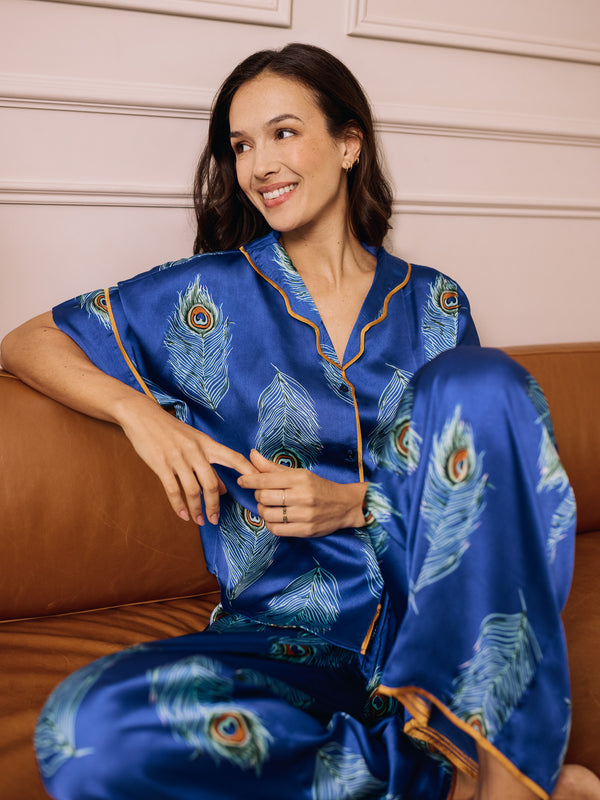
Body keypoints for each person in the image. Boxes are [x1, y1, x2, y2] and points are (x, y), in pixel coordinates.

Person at [1, 43, 598, 800]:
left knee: (483, 383)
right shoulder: (206, 296)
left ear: (349, 144)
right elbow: (26, 341)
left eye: (283, 133)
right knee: (87, 730)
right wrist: (140, 415)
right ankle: (442, 780)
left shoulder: (438, 304)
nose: (259, 165)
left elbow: (482, 490)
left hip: (437, 628)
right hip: (286, 647)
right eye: (242, 145)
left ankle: (499, 772)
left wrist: (355, 503)